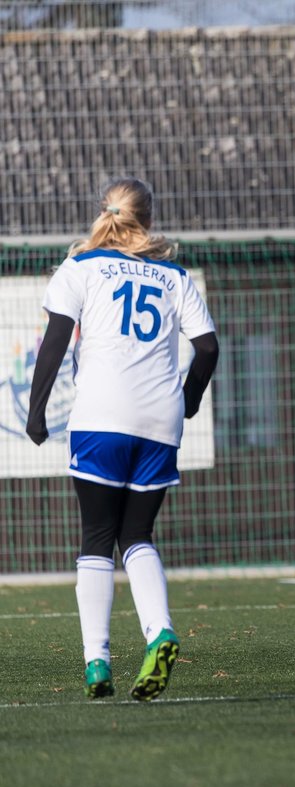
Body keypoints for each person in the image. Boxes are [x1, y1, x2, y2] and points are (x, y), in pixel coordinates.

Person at [25, 177, 219, 701]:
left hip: (101, 416)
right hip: (160, 419)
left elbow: (56, 341)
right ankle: (159, 631)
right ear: (148, 219)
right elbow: (206, 348)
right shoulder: (174, 276)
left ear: (105, 214)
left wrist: (37, 410)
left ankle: (97, 663)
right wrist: (190, 401)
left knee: (96, 539)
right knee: (137, 536)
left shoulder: (81, 267)